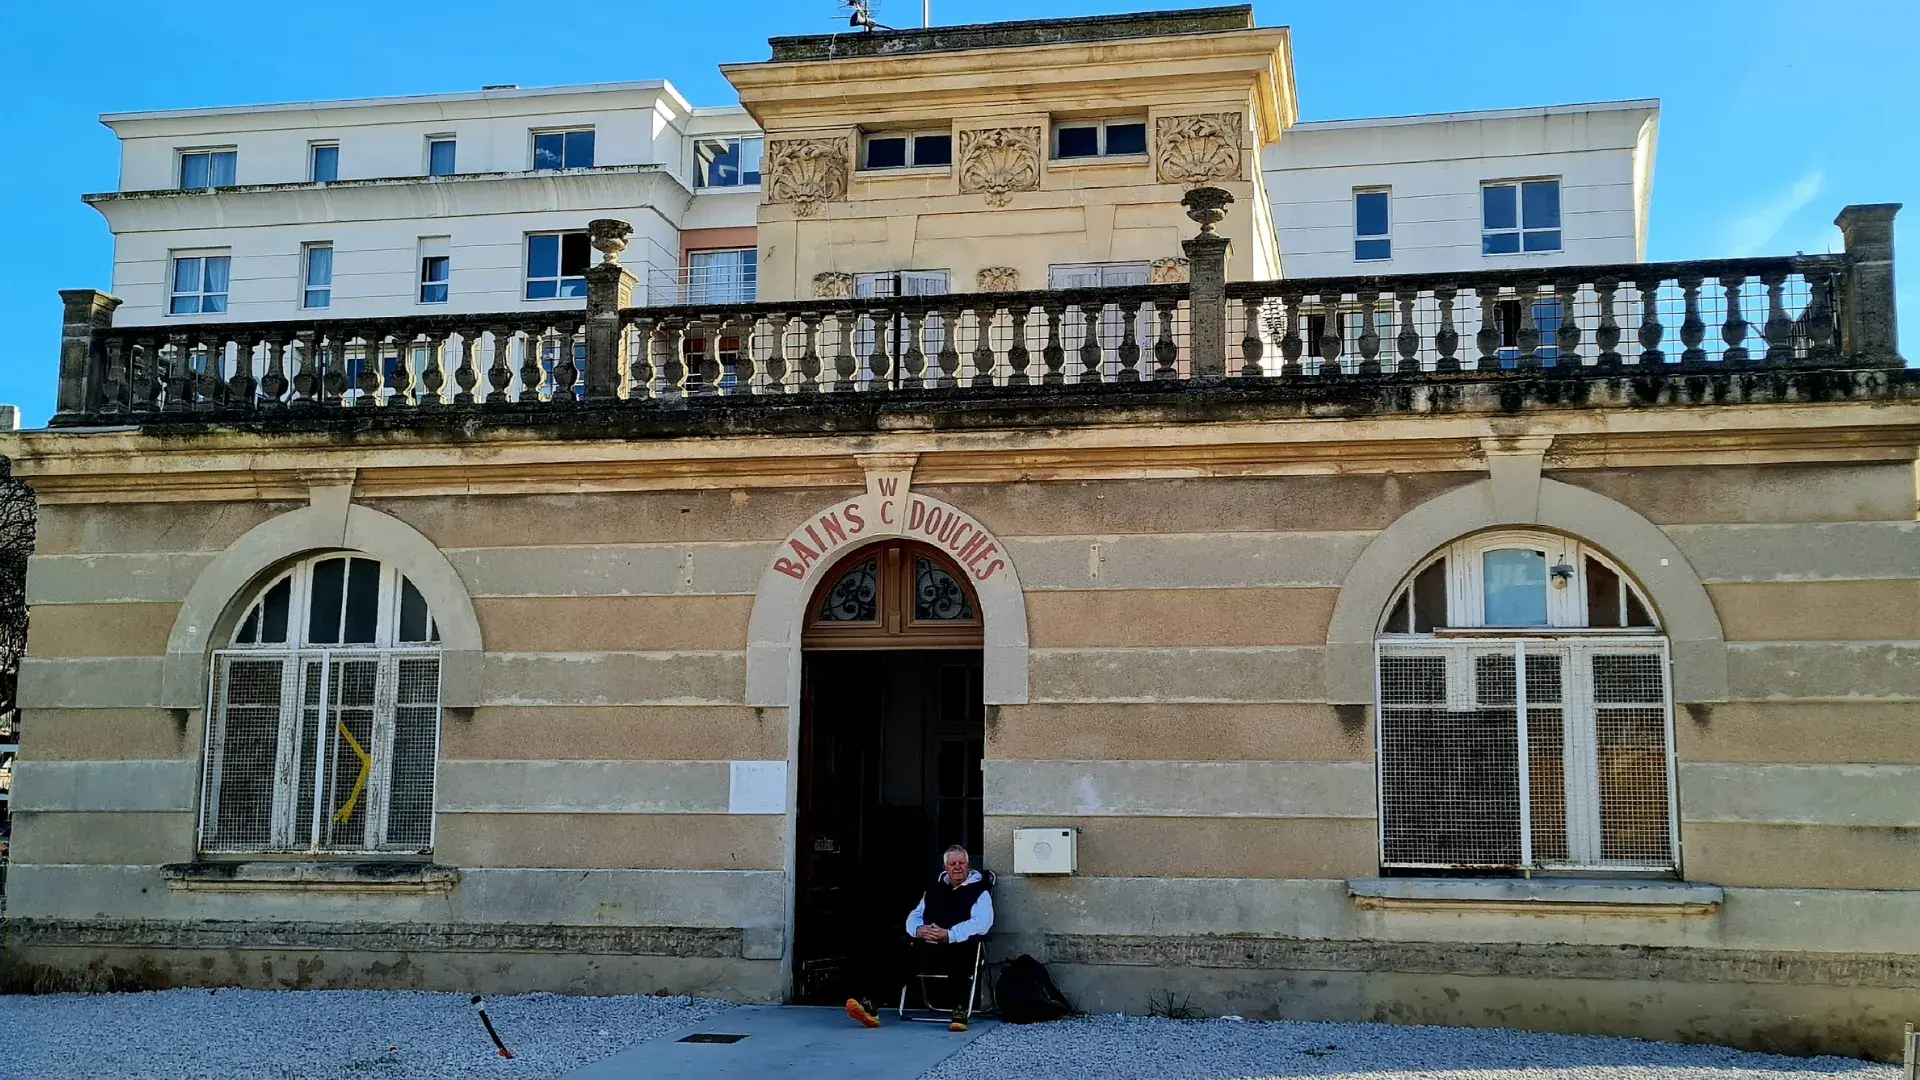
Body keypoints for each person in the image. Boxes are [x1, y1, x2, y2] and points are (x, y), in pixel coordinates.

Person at [846, 844, 994, 1032]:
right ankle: (871, 1005)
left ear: (968, 865)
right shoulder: (934, 890)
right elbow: (915, 915)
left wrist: (949, 935)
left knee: (961, 952)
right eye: (952, 863)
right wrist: (919, 930)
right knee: (902, 954)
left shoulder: (980, 891)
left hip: (960, 944)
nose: (957, 867)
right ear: (945, 867)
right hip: (929, 944)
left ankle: (959, 1010)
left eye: (961, 863)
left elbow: (982, 923)